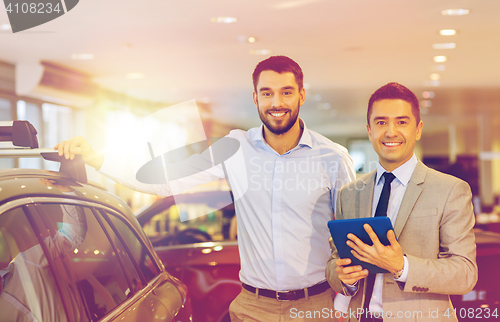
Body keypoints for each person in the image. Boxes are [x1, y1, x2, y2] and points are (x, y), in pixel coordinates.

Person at [55, 55, 356, 321]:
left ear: (301, 95)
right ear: (255, 98)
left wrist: (342, 304)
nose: (276, 103)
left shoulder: (332, 157)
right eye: (267, 93)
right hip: (252, 307)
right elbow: (165, 178)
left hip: (316, 306)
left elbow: (350, 238)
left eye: (286, 92)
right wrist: (96, 158)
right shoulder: (235, 147)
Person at [325, 82, 477, 322]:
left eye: (402, 122)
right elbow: (334, 262)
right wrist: (345, 277)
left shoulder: (451, 190)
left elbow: (465, 274)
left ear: (418, 129)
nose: (390, 132)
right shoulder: (349, 193)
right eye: (381, 122)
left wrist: (402, 266)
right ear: (369, 130)